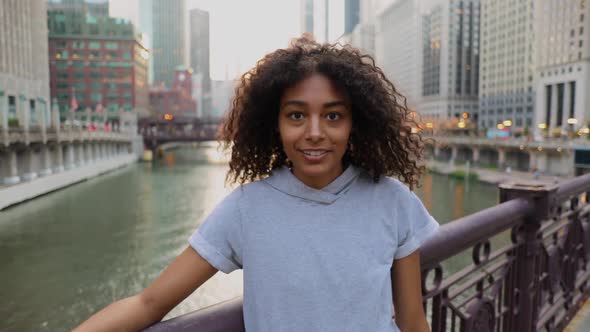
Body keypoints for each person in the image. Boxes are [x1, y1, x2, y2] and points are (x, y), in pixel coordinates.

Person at [74, 36, 439, 332]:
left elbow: (411, 320)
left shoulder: (394, 201)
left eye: (332, 116)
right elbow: (149, 303)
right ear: (274, 125)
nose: (314, 133)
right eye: (296, 115)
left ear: (353, 124)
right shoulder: (245, 209)